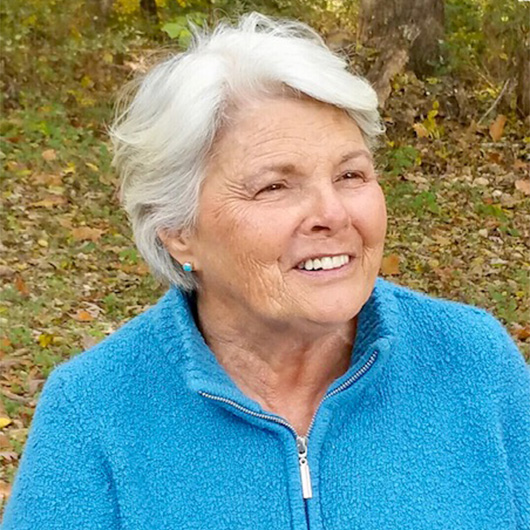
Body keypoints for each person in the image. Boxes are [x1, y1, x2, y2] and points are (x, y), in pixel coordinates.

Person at [3, 12, 529, 530]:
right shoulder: (94, 412)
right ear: (178, 229)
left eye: (350, 174)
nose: (333, 214)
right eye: (274, 186)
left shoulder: (472, 363)